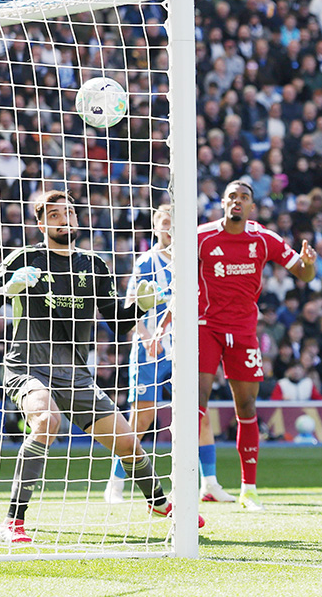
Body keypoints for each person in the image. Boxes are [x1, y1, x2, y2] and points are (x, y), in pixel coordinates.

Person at [0, 190, 203, 544]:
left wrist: (141, 306)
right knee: (47, 422)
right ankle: (12, 522)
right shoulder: (24, 258)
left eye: (70, 212)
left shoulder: (93, 265)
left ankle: (157, 503)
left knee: (128, 443)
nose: (66, 219)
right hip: (29, 367)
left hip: (75, 373)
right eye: (55, 215)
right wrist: (8, 288)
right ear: (40, 223)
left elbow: (118, 323)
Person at [178, 180, 315, 511]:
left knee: (248, 408)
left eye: (243, 198)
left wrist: (308, 262)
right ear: (222, 203)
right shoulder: (201, 237)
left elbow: (304, 274)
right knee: (196, 402)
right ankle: (185, 483)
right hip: (206, 327)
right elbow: (176, 275)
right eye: (231, 197)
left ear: (252, 206)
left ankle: (249, 489)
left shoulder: (263, 239)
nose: (237, 202)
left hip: (242, 331)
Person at [103, 205, 234, 505]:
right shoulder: (146, 262)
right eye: (164, 223)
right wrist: (148, 337)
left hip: (185, 347)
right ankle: (115, 484)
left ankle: (210, 483)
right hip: (151, 348)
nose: (170, 228)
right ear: (155, 228)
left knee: (197, 412)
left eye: (174, 223)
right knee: (142, 417)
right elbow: (130, 307)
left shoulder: (193, 262)